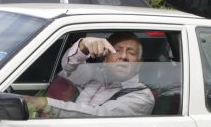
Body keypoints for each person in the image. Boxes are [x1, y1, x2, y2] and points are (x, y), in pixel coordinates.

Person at [23, 32, 155, 117]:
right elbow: (68, 68)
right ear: (104, 59)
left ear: (140, 63)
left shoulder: (142, 96)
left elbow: (100, 116)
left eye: (131, 52)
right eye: (117, 51)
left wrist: (46, 104)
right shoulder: (94, 78)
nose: (124, 56)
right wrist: (83, 45)